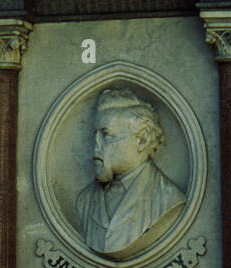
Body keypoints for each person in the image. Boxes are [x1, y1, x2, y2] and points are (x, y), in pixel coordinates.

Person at [76, 86, 186, 259]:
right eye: (95, 135)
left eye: (106, 134)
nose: (95, 145)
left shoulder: (169, 199)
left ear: (141, 140)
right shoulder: (84, 200)